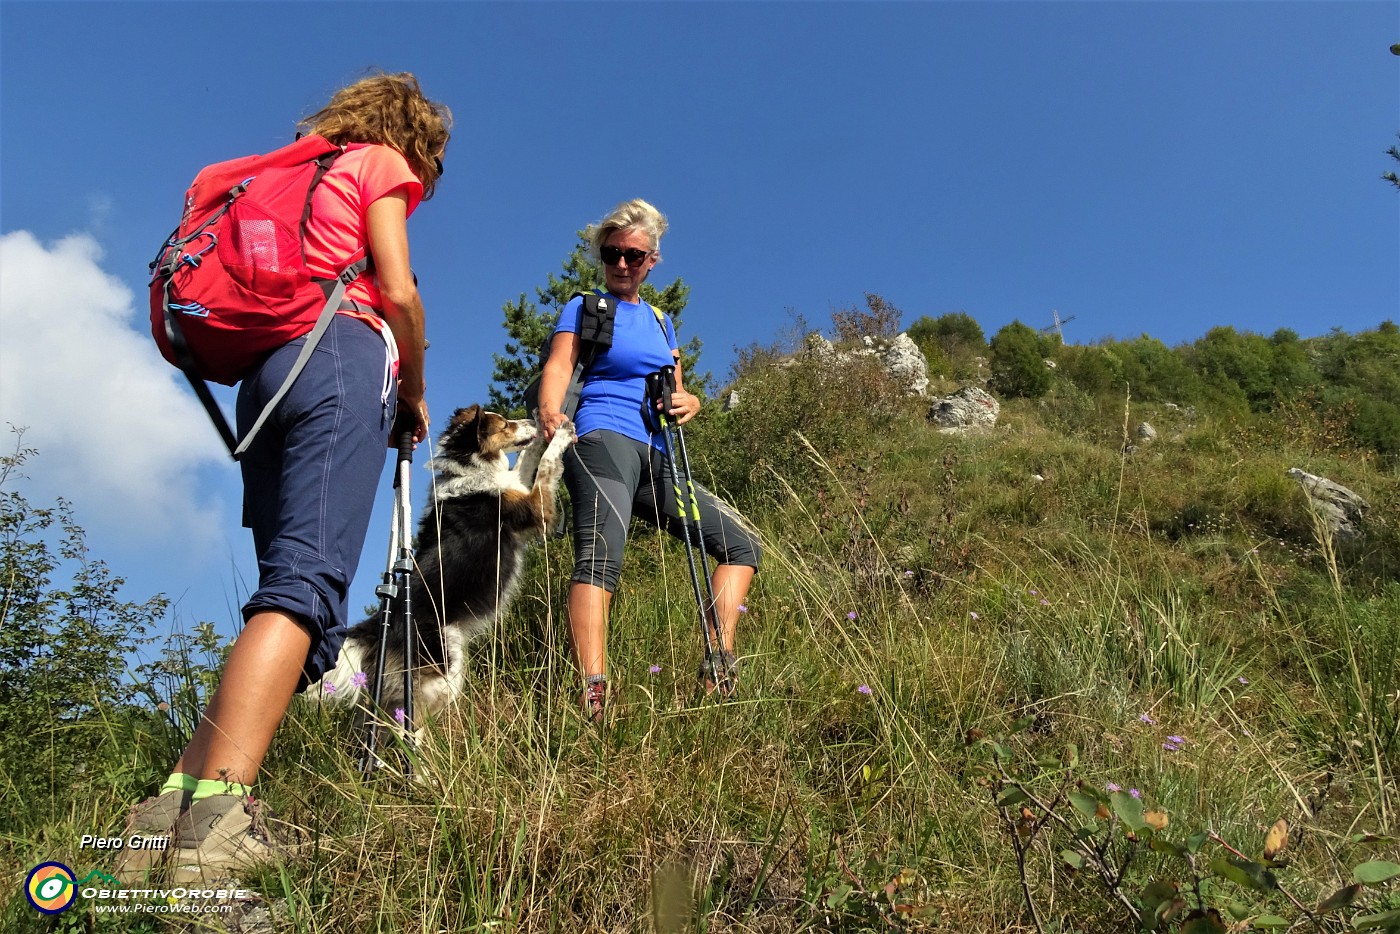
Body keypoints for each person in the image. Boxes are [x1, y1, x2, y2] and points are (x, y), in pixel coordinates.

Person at [115, 72, 451, 884]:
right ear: (418, 140)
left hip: (267, 377)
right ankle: (217, 826)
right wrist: (413, 391)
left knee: (293, 602)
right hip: (340, 359)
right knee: (305, 591)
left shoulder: (290, 168)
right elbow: (398, 290)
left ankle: (162, 826)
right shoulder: (380, 163)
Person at [535, 199, 762, 722]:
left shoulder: (662, 321)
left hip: (659, 453)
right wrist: (551, 413)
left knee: (740, 546)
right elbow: (560, 363)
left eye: (632, 256)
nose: (620, 264)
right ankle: (594, 693)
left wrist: (693, 402)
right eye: (611, 253)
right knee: (599, 557)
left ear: (652, 260)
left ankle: (718, 660)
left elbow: (677, 392)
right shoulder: (586, 307)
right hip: (601, 439)